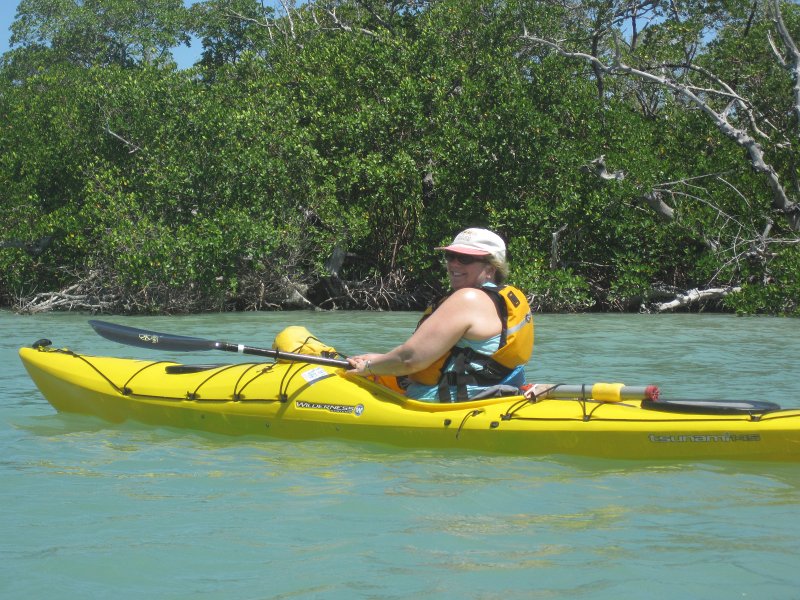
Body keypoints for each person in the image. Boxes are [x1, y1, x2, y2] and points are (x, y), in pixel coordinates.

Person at [347, 228, 534, 402]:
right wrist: (380, 360)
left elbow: (410, 359)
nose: (454, 263)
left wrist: (369, 367)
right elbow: (453, 357)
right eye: (451, 256)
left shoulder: (468, 299)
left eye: (465, 259)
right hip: (490, 395)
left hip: (444, 404)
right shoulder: (496, 300)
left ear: (491, 269)